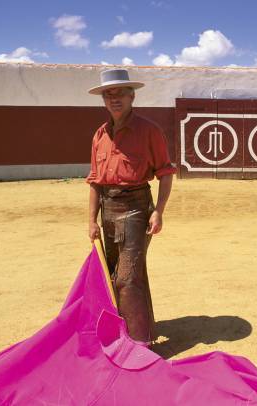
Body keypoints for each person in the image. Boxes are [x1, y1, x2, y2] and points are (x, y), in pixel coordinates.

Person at [86, 69, 176, 347]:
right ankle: (136, 331)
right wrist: (91, 219)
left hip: (137, 208)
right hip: (108, 208)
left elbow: (166, 172)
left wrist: (158, 210)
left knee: (127, 276)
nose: (114, 99)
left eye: (120, 93)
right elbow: (94, 180)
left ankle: (139, 345)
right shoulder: (100, 135)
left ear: (132, 96)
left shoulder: (149, 131)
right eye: (108, 94)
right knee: (119, 275)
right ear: (103, 99)